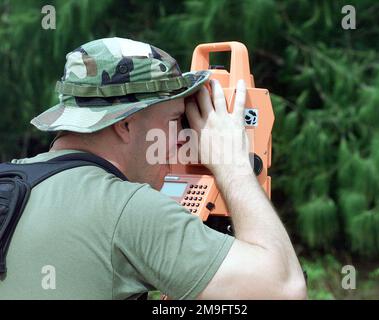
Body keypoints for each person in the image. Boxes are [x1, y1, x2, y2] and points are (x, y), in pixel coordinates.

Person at [0, 37, 306, 299]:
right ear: (126, 124)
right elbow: (284, 289)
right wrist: (235, 165)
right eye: (175, 120)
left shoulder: (10, 181)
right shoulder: (125, 209)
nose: (180, 141)